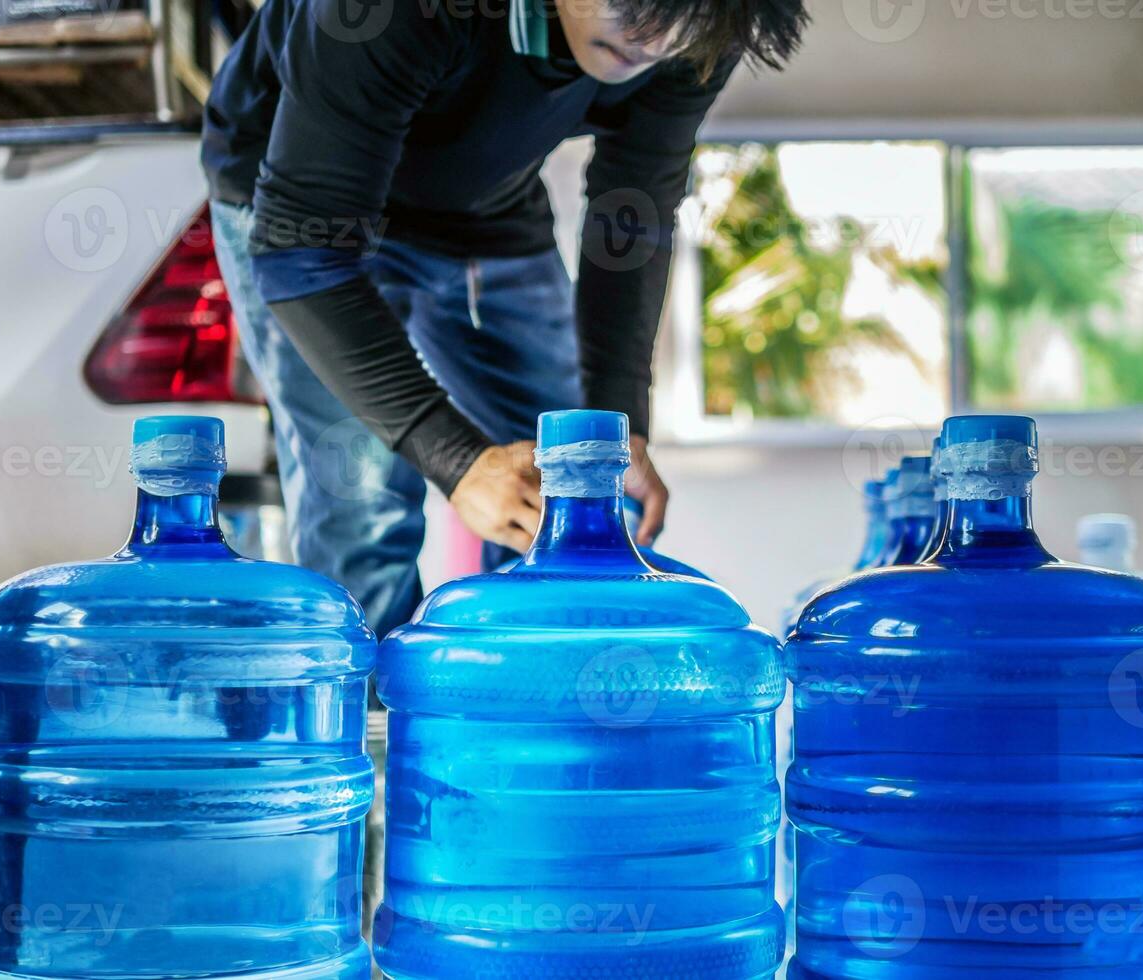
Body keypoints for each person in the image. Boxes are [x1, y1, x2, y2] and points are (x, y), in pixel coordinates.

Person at [203, 0, 809, 637]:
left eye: (680, 24)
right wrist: (457, 461)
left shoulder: (701, 23)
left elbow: (634, 208)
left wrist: (618, 413)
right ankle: (374, 723)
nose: (651, 39)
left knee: (581, 474)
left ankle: (547, 704)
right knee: (365, 501)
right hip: (300, 204)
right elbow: (303, 258)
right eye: (630, 3)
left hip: (483, 198)